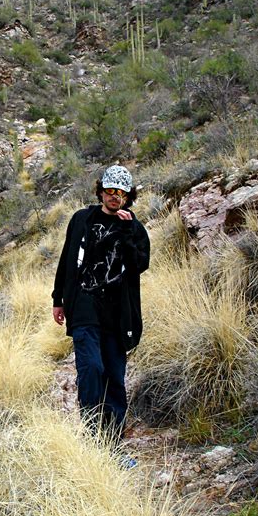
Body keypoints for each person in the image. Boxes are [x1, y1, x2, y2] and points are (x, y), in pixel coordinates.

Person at [52, 165, 150, 443]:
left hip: (118, 313)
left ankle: (113, 441)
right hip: (84, 306)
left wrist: (127, 230)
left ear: (128, 196)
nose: (114, 196)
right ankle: (93, 433)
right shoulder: (81, 219)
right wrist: (58, 299)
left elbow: (139, 265)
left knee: (115, 378)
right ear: (101, 191)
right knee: (91, 368)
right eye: (110, 190)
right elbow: (66, 260)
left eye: (121, 192)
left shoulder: (135, 228)